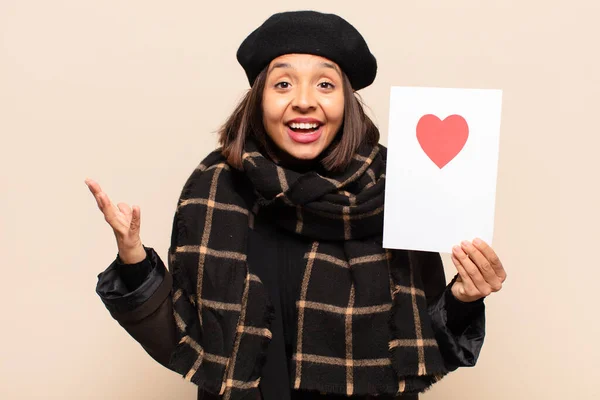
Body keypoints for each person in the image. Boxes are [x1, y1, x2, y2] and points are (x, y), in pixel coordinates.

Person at [86, 10, 506, 400]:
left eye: (325, 84)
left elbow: (421, 345)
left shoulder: (397, 187)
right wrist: (134, 260)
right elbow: (185, 340)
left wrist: (463, 298)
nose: (304, 101)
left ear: (347, 103)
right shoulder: (214, 189)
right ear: (259, 99)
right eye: (283, 83)